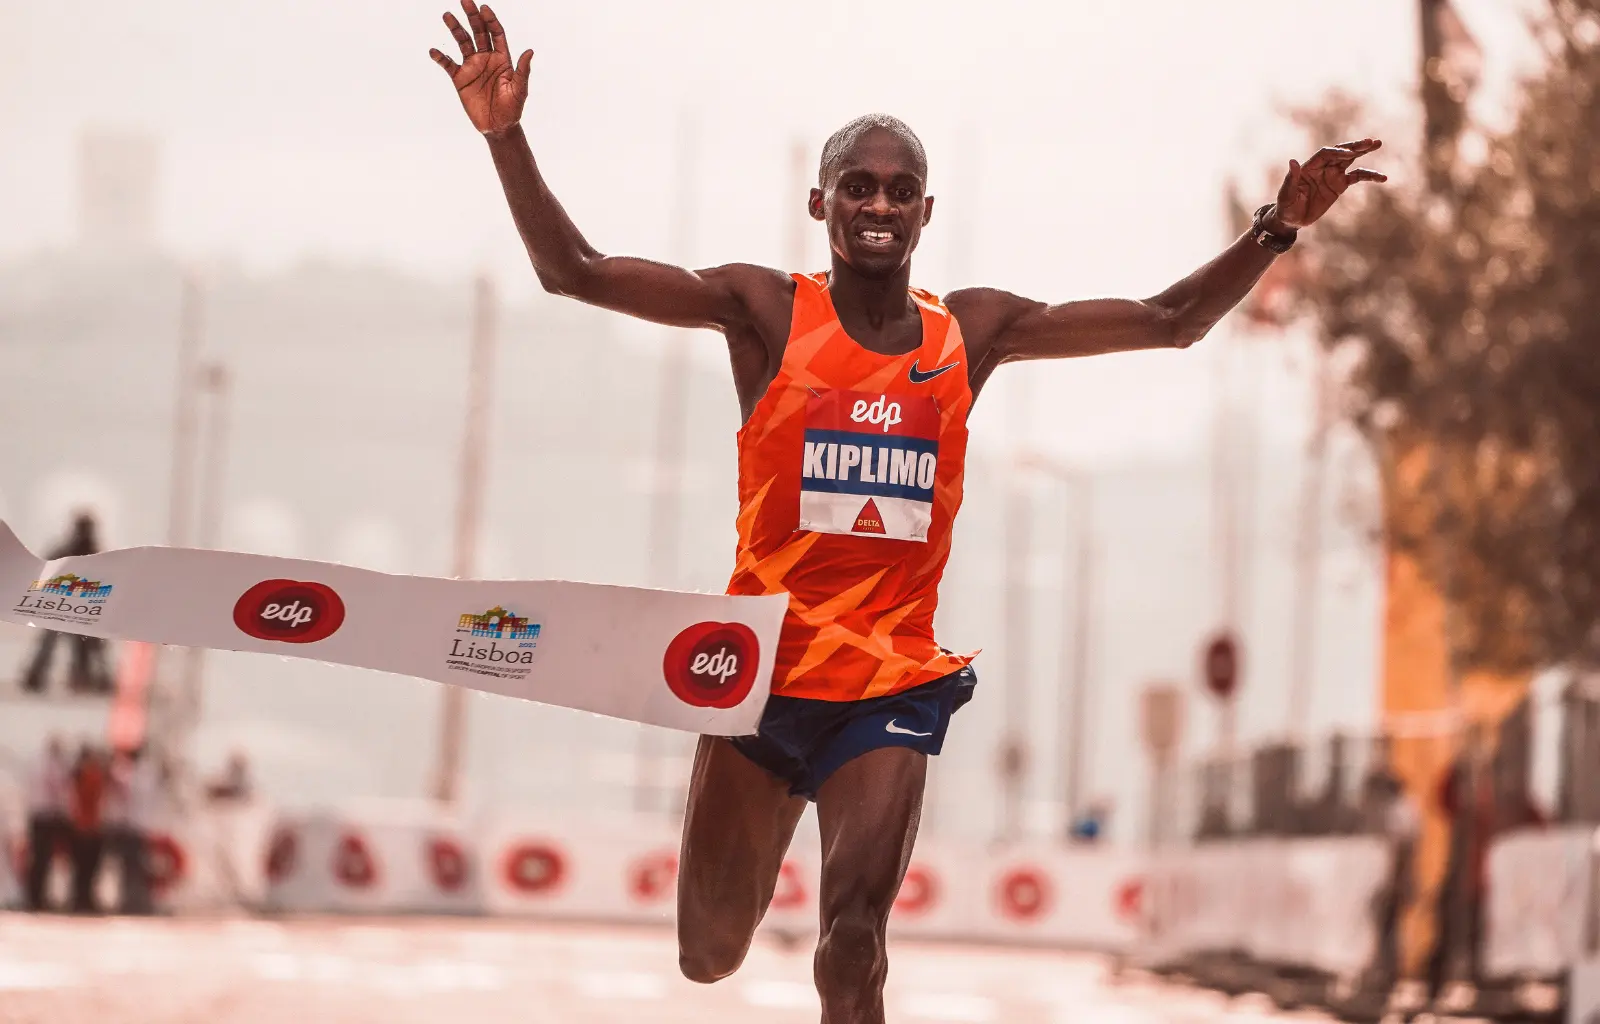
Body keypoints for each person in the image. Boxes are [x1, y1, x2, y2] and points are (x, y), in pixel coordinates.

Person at [427, 4, 1385, 1017]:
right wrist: (506, 134)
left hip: (886, 679)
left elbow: (1169, 322)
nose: (878, 204)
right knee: (707, 954)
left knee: (852, 942)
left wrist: (1273, 228)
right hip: (757, 678)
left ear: (927, 213)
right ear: (821, 202)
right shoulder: (764, 312)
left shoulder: (970, 331)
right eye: (858, 186)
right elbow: (568, 273)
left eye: (900, 190)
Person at [21, 512, 112, 695]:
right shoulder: (77, 551)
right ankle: (39, 678)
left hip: (75, 607)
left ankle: (85, 678)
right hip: (65, 606)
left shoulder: (87, 551)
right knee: (61, 645)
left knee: (85, 646)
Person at [23, 735, 72, 911]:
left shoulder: (46, 764)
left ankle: (38, 896)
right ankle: (34, 897)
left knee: (45, 860)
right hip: (43, 815)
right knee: (40, 859)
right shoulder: (46, 765)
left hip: (46, 816)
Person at [67, 744, 108, 913]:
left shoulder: (77, 774)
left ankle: (82, 899)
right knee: (86, 869)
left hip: (85, 826)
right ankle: (82, 900)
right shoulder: (90, 774)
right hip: (87, 827)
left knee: (85, 869)